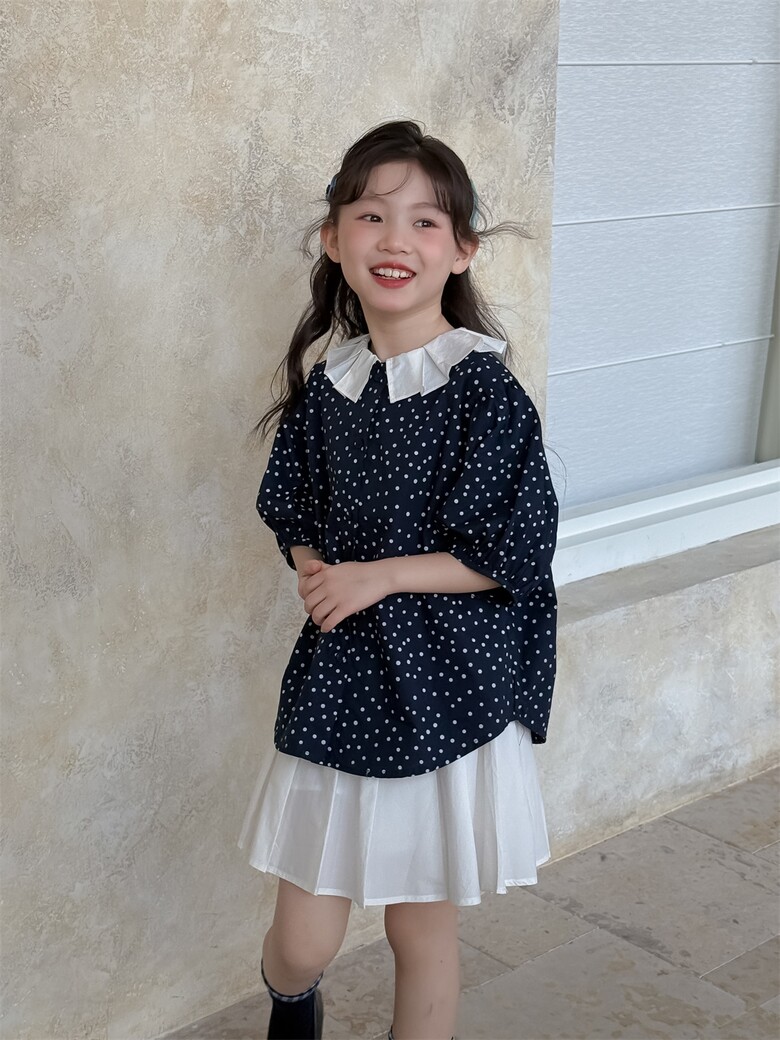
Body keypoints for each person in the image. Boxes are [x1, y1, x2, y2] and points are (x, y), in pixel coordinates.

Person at [238, 119, 560, 1040]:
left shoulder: (484, 392)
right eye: (372, 216)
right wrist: (315, 570)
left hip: (445, 689)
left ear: (460, 251)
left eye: (425, 222)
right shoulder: (330, 386)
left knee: (421, 931)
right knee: (302, 941)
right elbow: (292, 507)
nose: (395, 239)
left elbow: (512, 550)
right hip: (343, 682)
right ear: (334, 241)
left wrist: (376, 578)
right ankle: (292, 1000)